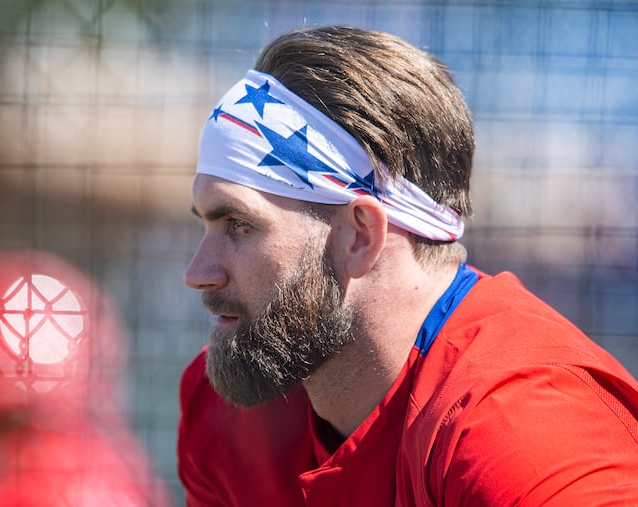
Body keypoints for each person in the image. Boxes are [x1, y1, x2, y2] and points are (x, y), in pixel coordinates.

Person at [178, 26, 638, 506]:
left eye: (238, 224)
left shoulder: (519, 431)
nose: (198, 272)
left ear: (360, 235)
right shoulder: (230, 411)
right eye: (206, 225)